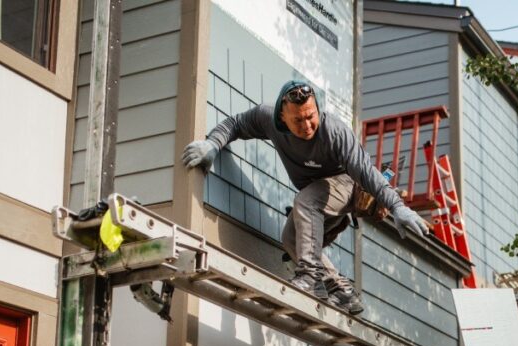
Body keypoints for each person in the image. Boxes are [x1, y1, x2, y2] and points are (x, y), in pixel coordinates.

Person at [181, 80, 430, 315]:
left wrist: (398, 207)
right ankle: (339, 289)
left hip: (345, 186)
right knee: (291, 239)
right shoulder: (267, 118)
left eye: (311, 117)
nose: (308, 126)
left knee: (306, 201)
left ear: (317, 111)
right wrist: (213, 144)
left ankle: (309, 278)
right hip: (315, 198)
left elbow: (366, 172)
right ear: (282, 117)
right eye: (298, 120)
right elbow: (235, 124)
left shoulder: (334, 132)